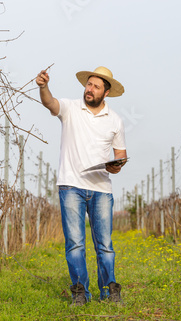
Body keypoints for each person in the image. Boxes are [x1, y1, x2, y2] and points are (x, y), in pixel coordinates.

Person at [36, 66, 127, 306]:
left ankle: (109, 291)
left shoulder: (115, 120)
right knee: (75, 243)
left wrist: (116, 166)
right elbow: (50, 104)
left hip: (101, 189)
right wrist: (43, 86)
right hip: (71, 186)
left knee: (105, 245)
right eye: (89, 84)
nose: (90, 89)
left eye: (96, 86)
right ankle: (80, 293)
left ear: (105, 92)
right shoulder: (70, 108)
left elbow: (121, 154)